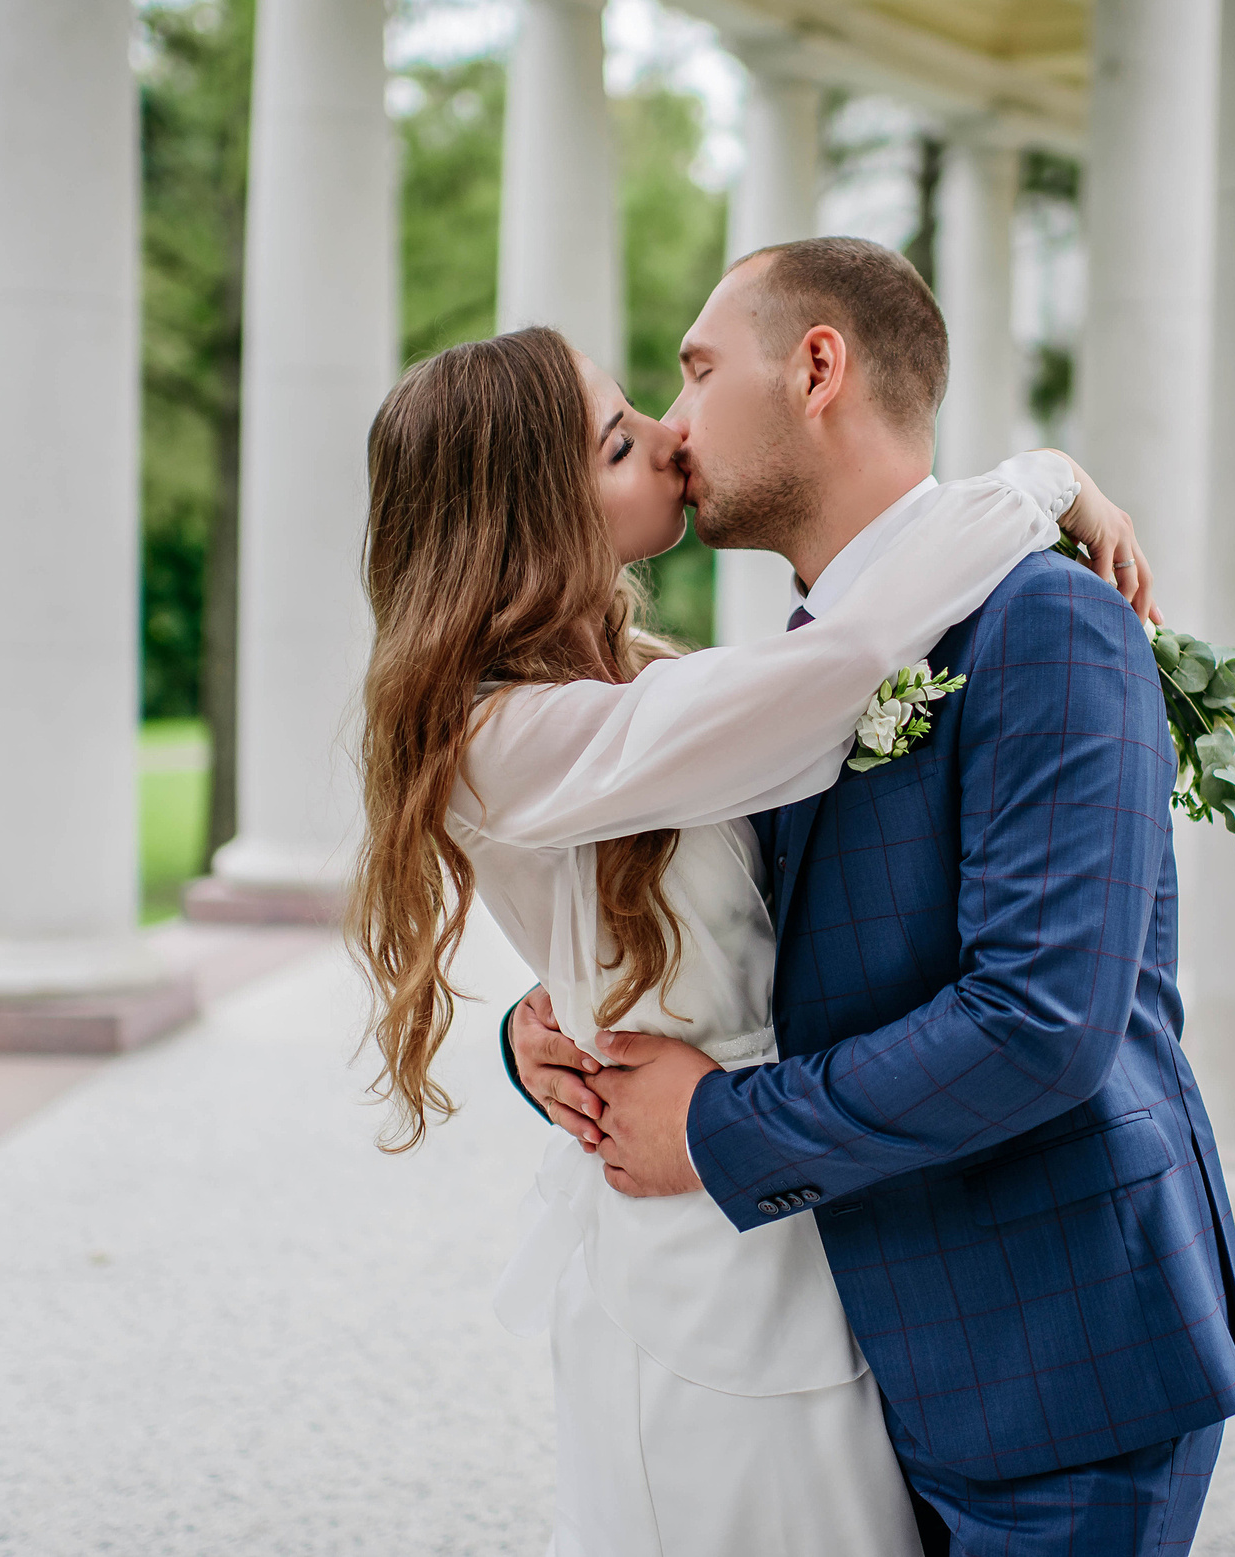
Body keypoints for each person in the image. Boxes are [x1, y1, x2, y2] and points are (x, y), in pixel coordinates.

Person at [351, 316, 1148, 1557]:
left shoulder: (620, 692)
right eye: (620, 441)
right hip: (709, 1265)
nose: (671, 438)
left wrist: (541, 1028)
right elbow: (841, 670)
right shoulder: (500, 737)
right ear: (528, 520)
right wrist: (1036, 484)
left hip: (789, 1217)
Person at [513, 237, 1235, 1556]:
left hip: (1056, 1359)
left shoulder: (1048, 623)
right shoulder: (787, 677)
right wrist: (548, 1031)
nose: (675, 427)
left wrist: (721, 1128)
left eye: (695, 370)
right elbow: (728, 944)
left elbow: (1042, 1023)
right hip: (864, 1358)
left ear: (817, 367)